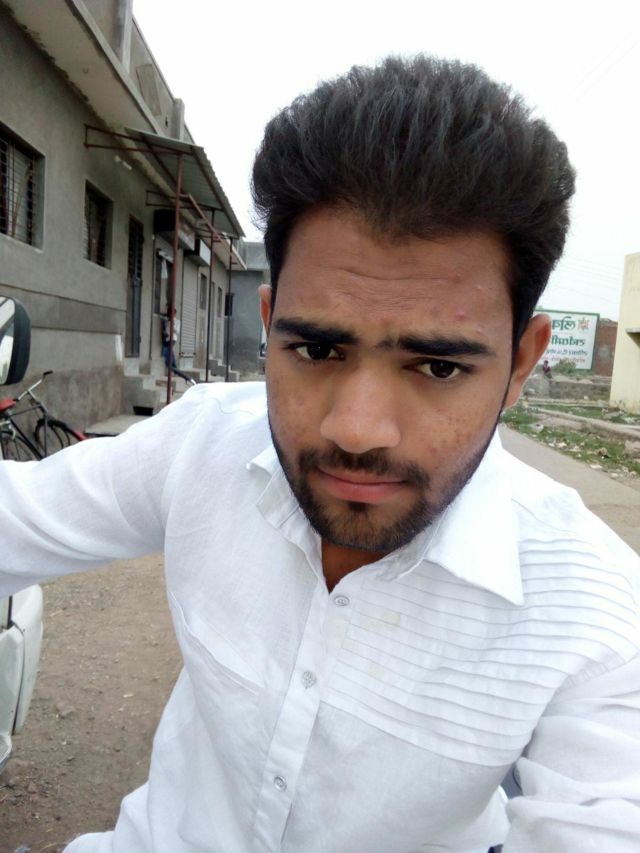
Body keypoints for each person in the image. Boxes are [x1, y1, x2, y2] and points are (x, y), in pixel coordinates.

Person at [1, 56, 639, 853]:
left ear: (520, 362)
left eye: (438, 367)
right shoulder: (203, 443)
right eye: (316, 349)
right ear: (270, 323)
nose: (357, 429)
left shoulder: (597, 616)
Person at [161, 306, 193, 385]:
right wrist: (165, 332)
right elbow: (165, 330)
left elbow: (177, 331)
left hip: (173, 339)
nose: (171, 315)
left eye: (173, 313)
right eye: (170, 313)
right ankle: (173, 369)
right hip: (167, 339)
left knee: (168, 353)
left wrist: (172, 325)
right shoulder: (167, 321)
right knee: (168, 353)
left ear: (175, 314)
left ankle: (173, 369)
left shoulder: (177, 321)